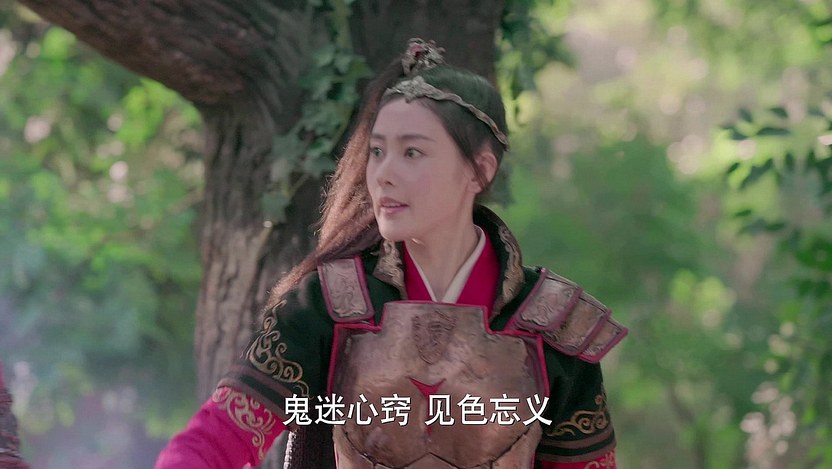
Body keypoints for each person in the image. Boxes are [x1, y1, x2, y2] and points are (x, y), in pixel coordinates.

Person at [156, 38, 627, 469]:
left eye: (412, 153)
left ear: (479, 171)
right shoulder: (327, 306)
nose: (383, 174)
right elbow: (218, 438)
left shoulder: (553, 326)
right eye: (377, 151)